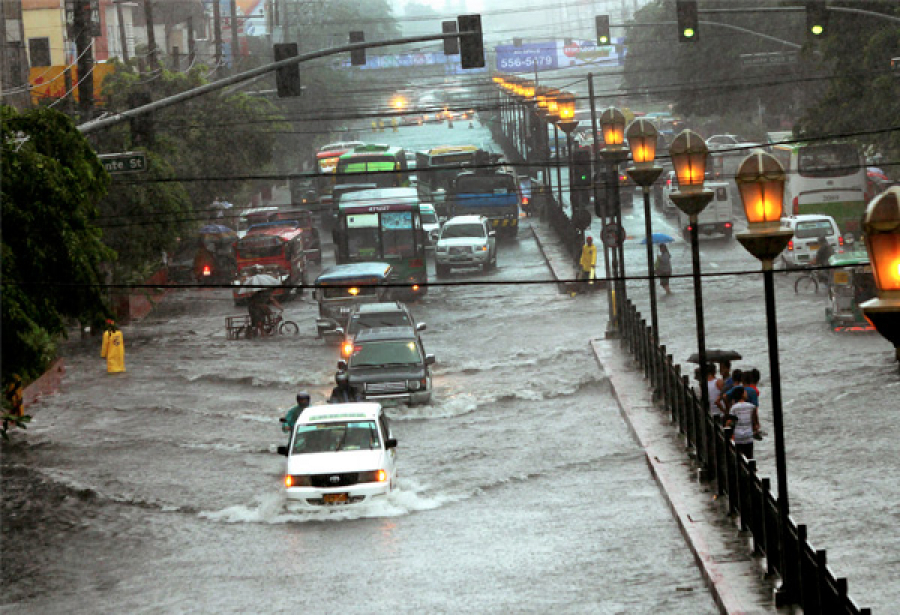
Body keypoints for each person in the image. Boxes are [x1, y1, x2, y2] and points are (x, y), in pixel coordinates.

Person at [726, 386, 760, 460]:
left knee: (739, 458)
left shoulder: (734, 408)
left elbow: (730, 422)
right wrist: (756, 430)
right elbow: (755, 423)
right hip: (748, 436)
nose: (746, 393)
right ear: (742, 394)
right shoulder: (752, 407)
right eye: (745, 392)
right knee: (749, 457)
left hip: (738, 436)